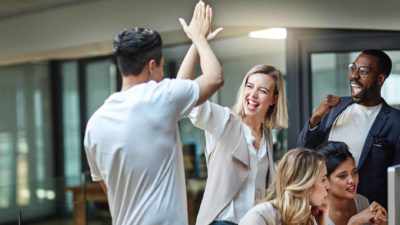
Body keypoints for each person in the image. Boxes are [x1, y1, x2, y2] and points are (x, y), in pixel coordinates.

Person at [83, 2, 224, 225]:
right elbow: (215, 77)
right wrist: (199, 38)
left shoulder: (94, 124)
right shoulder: (160, 98)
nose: (162, 74)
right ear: (151, 66)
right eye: (161, 67)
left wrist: (197, 44)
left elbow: (107, 186)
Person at [177, 40, 288, 224]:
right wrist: (198, 41)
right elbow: (183, 92)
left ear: (274, 99)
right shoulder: (224, 120)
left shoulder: (267, 135)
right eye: (249, 86)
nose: (252, 95)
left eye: (262, 90)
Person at [297, 49, 400, 208]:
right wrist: (315, 118)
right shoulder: (334, 107)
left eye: (363, 71)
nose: (354, 75)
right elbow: (304, 151)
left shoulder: (395, 121)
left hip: (367, 211)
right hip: (323, 207)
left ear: (380, 79)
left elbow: (397, 181)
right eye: (353, 68)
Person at [239, 148, 330, 225]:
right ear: (305, 182)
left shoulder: (306, 219)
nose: (328, 186)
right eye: (323, 179)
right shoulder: (260, 216)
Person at [317, 141, 388, 225]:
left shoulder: (362, 202)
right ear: (324, 180)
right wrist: (353, 222)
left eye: (354, 172)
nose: (352, 180)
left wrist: (383, 223)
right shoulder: (312, 215)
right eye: (342, 176)